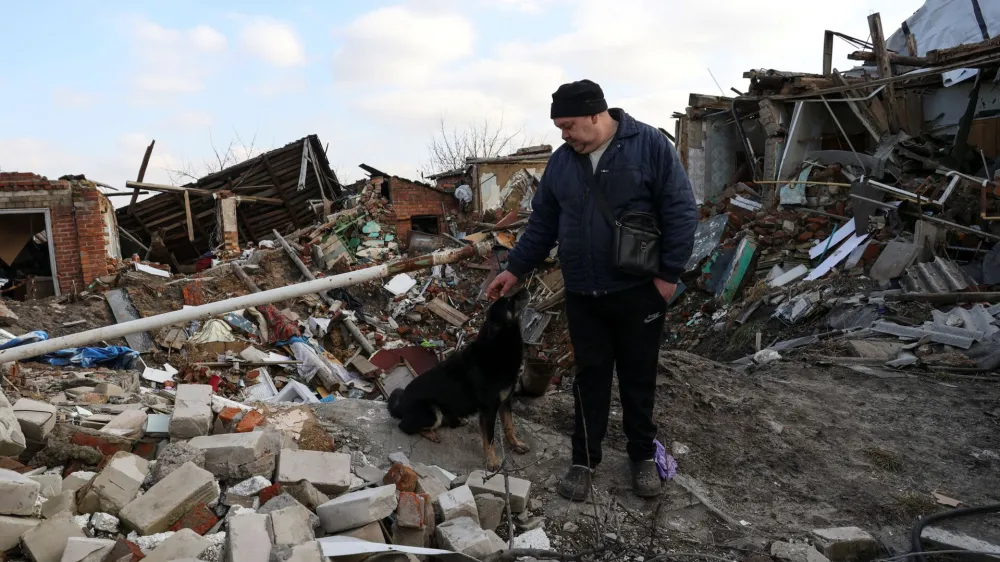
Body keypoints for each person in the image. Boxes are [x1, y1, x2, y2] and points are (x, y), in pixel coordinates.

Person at [487, 79, 698, 500]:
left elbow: (680, 209)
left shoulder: (649, 145)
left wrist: (668, 275)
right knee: (591, 379)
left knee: (638, 378)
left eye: (568, 125)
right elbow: (543, 223)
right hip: (584, 293)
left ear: (595, 115)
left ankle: (641, 457)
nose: (563, 135)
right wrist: (515, 268)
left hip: (639, 289)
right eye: (559, 127)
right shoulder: (564, 163)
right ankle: (583, 461)